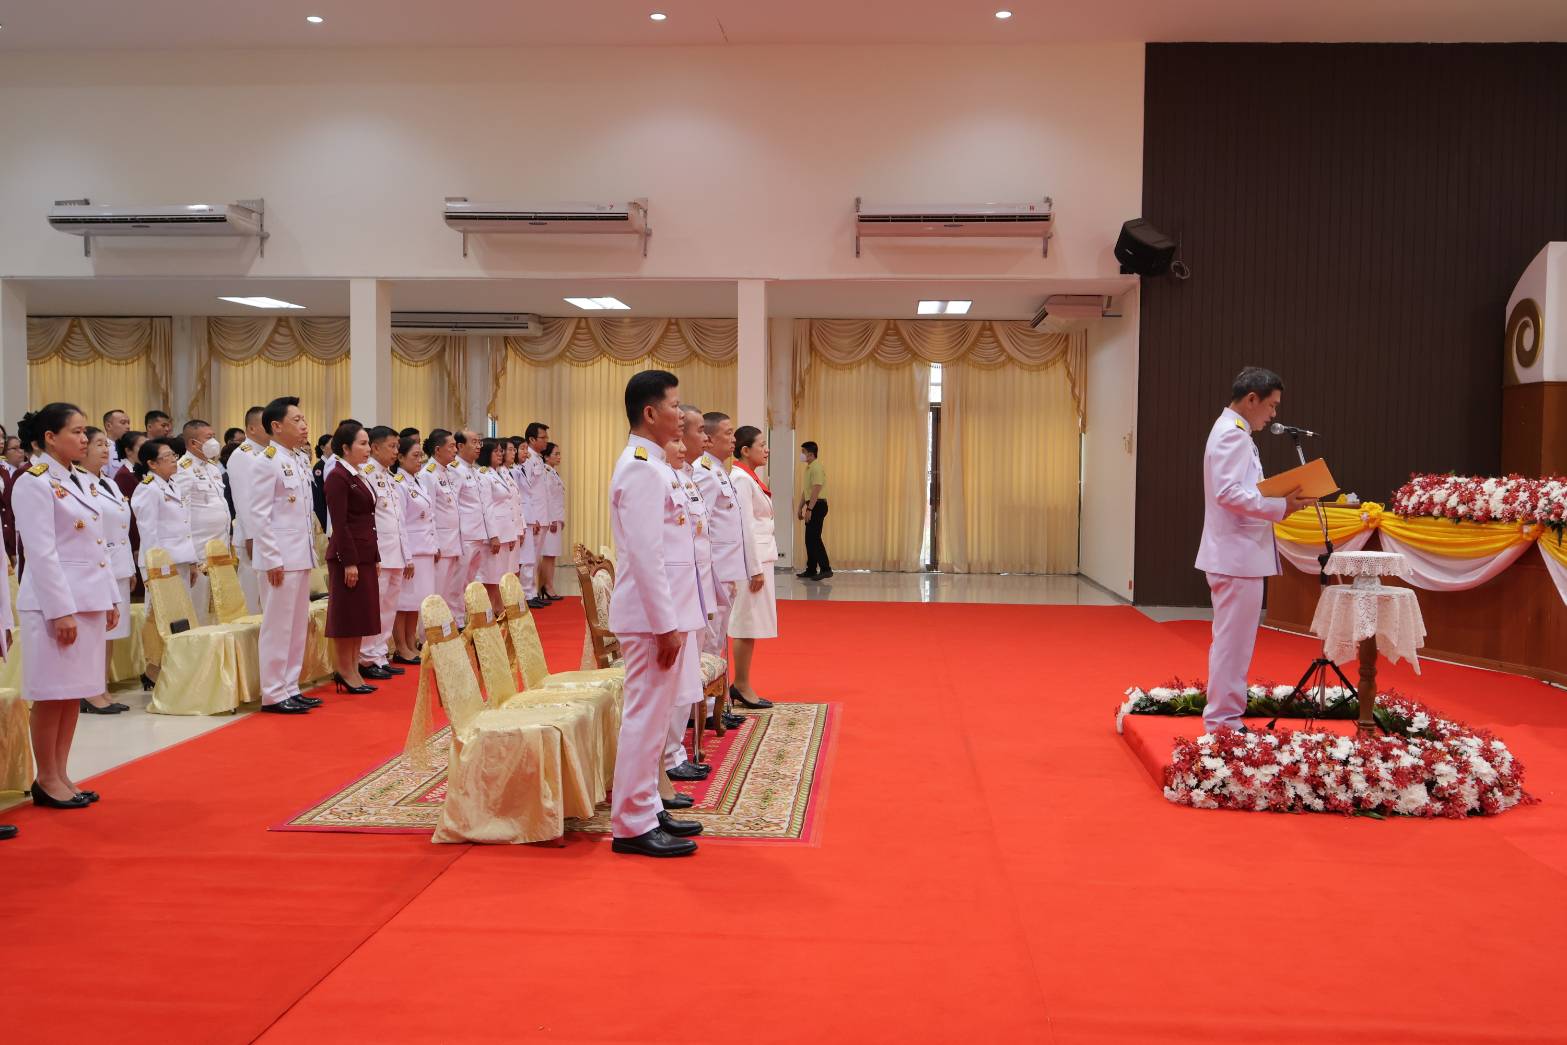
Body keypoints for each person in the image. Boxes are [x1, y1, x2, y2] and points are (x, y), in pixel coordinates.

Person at [607, 370, 704, 857]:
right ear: (650, 413)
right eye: (674, 406)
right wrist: (666, 625)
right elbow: (647, 557)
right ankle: (630, 823)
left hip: (663, 615)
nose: (680, 415)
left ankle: (648, 808)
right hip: (651, 620)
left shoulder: (657, 465)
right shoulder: (642, 468)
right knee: (645, 720)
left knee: (655, 718)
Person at [1195, 367, 1315, 734]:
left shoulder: (1234, 432)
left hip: (1237, 554)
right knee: (1233, 644)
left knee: (1234, 642)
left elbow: (1239, 490)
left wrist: (1277, 498)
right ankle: (1223, 721)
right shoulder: (1232, 436)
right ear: (1251, 399)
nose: (1274, 414)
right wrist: (1280, 505)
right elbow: (1228, 493)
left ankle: (1225, 717)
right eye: (1272, 405)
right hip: (1236, 556)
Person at [15, 403, 120, 809]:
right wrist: (61, 610)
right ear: (49, 438)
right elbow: (41, 554)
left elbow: (98, 547)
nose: (83, 438)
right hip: (54, 604)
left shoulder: (80, 479)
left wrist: (110, 596)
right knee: (52, 694)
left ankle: (61, 773)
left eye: (83, 431)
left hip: (88, 599)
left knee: (73, 693)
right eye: (75, 432)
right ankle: (46, 777)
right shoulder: (34, 482)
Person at [243, 396, 321, 715]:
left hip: (299, 555)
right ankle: (273, 693)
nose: (304, 425)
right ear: (276, 426)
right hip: (280, 559)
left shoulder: (297, 459)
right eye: (296, 420)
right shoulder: (266, 461)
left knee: (296, 625)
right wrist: (272, 558)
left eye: (304, 419)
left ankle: (290, 686)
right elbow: (259, 515)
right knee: (278, 626)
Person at [662, 408, 716, 782]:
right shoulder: (659, 477)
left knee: (686, 680)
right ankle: (668, 756)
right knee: (675, 681)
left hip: (693, 593)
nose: (685, 445)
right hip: (675, 598)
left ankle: (675, 750)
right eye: (678, 438)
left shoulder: (687, 479)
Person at [131, 436, 201, 690]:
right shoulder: (148, 489)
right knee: (160, 618)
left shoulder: (172, 484)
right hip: (161, 566)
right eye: (167, 457)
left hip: (179, 561)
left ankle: (174, 667)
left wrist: (191, 562)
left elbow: (183, 526)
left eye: (174, 455)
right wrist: (155, 569)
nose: (174, 460)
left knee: (180, 617)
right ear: (152, 463)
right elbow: (149, 533)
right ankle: (154, 669)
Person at [694, 411, 748, 730]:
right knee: (710, 641)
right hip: (713, 572)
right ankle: (703, 711)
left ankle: (715, 706)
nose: (733, 439)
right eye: (728, 433)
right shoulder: (704, 472)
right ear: (710, 438)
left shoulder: (718, 471)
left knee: (717, 640)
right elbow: (702, 528)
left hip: (725, 571)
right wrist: (712, 576)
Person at [323, 420, 380, 694]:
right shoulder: (338, 476)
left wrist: (375, 555)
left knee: (360, 616)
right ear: (346, 448)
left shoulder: (357, 474)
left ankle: (354, 667)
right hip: (349, 556)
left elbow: (368, 518)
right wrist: (349, 561)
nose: (368, 449)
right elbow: (340, 522)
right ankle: (344, 670)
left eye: (368, 443)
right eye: (362, 443)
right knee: (347, 616)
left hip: (364, 553)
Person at [82, 426, 132, 714]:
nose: (105, 449)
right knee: (97, 632)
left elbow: (122, 527)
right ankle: (90, 691)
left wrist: (128, 566)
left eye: (106, 444)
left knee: (111, 632)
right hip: (98, 565)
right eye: (98, 444)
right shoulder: (78, 482)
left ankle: (101, 686)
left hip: (118, 564)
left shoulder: (109, 483)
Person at [728, 425, 777, 710]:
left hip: (760, 557)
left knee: (752, 624)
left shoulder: (749, 477)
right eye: (762, 445)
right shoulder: (740, 479)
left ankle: (742, 682)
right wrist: (753, 568)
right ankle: (741, 684)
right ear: (745, 450)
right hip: (752, 561)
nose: (766, 449)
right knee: (746, 624)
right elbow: (744, 526)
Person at [358, 426, 409, 681]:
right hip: (380, 554)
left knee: (389, 607)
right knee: (375, 607)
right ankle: (366, 657)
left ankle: (380, 654)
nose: (396, 451)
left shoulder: (390, 476)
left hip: (395, 552)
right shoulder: (366, 474)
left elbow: (399, 520)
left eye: (397, 446)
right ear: (375, 447)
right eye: (391, 446)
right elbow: (368, 520)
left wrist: (406, 554)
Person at [175, 419, 230, 624]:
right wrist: (189, 557)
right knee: (199, 610)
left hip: (219, 547)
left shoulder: (213, 468)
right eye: (209, 438)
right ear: (193, 443)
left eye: (214, 436)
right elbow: (181, 514)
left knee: (219, 610)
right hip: (199, 551)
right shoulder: (182, 468)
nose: (214, 441)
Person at [391, 435, 434, 664]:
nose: (420, 460)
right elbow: (400, 523)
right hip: (411, 550)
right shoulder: (399, 483)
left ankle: (411, 641)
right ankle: (401, 647)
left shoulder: (417, 481)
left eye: (421, 456)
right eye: (415, 456)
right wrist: (406, 556)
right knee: (403, 603)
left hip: (424, 548)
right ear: (400, 457)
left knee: (416, 602)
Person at [226, 406, 269, 615]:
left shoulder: (267, 453)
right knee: (252, 593)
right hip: (252, 536)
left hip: (267, 533)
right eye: (265, 424)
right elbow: (244, 500)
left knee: (267, 595)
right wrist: (252, 536)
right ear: (251, 429)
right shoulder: (242, 455)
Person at [418, 429, 464, 623]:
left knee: (448, 590)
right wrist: (435, 544)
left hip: (452, 541)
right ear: (438, 450)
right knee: (435, 593)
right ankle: (429, 633)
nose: (455, 450)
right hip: (441, 543)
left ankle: (445, 628)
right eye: (451, 446)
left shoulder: (447, 472)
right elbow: (430, 513)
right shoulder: (428, 474)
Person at [452, 429, 494, 625]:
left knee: (471, 581)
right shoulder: (454, 470)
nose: (478, 446)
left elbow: (484, 505)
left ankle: (466, 618)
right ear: (460, 446)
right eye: (474, 442)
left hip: (478, 534)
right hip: (465, 535)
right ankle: (457, 621)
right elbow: (453, 506)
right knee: (458, 581)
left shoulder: (474, 470)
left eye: (479, 442)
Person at [474, 438, 517, 614]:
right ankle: (491, 612)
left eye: (501, 451)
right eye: (496, 451)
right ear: (486, 454)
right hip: (495, 532)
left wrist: (512, 534)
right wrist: (493, 536)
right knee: (491, 577)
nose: (500, 454)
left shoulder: (499, 472)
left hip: (505, 531)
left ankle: (499, 609)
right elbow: (487, 507)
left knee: (501, 575)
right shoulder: (484, 474)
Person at [521, 422, 550, 604]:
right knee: (529, 557)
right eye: (543, 437)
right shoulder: (528, 459)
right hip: (534, 517)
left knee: (535, 556)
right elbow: (527, 491)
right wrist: (534, 517)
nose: (546, 440)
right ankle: (527, 593)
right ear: (532, 439)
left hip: (541, 515)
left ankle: (532, 592)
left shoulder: (538, 458)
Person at [797, 440, 832, 580]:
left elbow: (817, 488)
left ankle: (826, 569)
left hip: (817, 505)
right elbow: (807, 491)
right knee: (809, 539)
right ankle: (811, 569)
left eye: (803, 452)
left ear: (811, 454)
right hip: (812, 504)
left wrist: (809, 509)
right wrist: (800, 507)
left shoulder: (816, 467)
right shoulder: (809, 468)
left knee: (814, 539)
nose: (801, 455)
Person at [538, 441, 567, 600]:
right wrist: (553, 519)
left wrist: (560, 519)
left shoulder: (552, 472)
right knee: (548, 554)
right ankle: (546, 587)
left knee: (552, 555)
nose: (559, 457)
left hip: (555, 519)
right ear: (546, 457)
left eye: (559, 454)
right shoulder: (546, 472)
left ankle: (547, 585)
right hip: (550, 521)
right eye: (556, 454)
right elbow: (547, 498)